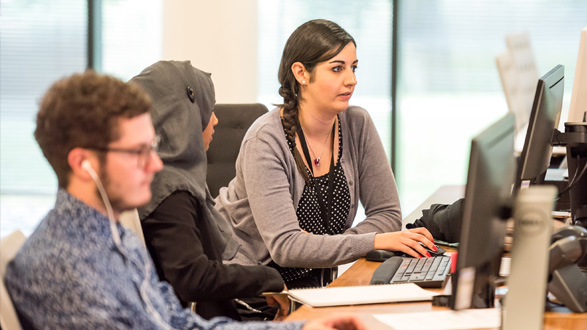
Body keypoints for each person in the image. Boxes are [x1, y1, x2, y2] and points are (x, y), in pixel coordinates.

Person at [4, 70, 366, 330]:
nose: (156, 163)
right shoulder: (67, 267)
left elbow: (178, 321)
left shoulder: (112, 236)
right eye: (137, 151)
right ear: (83, 164)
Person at [215, 18, 436, 291]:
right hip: (254, 288)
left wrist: (322, 244)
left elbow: (387, 214)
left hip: (315, 286)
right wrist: (373, 240)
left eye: (353, 68)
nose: (352, 80)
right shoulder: (266, 140)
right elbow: (286, 247)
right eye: (337, 68)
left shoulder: (357, 124)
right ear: (301, 73)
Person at [130, 60, 288, 321]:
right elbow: (193, 278)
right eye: (208, 109)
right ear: (183, 116)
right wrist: (267, 278)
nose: (215, 119)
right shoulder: (170, 189)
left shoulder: (168, 178)